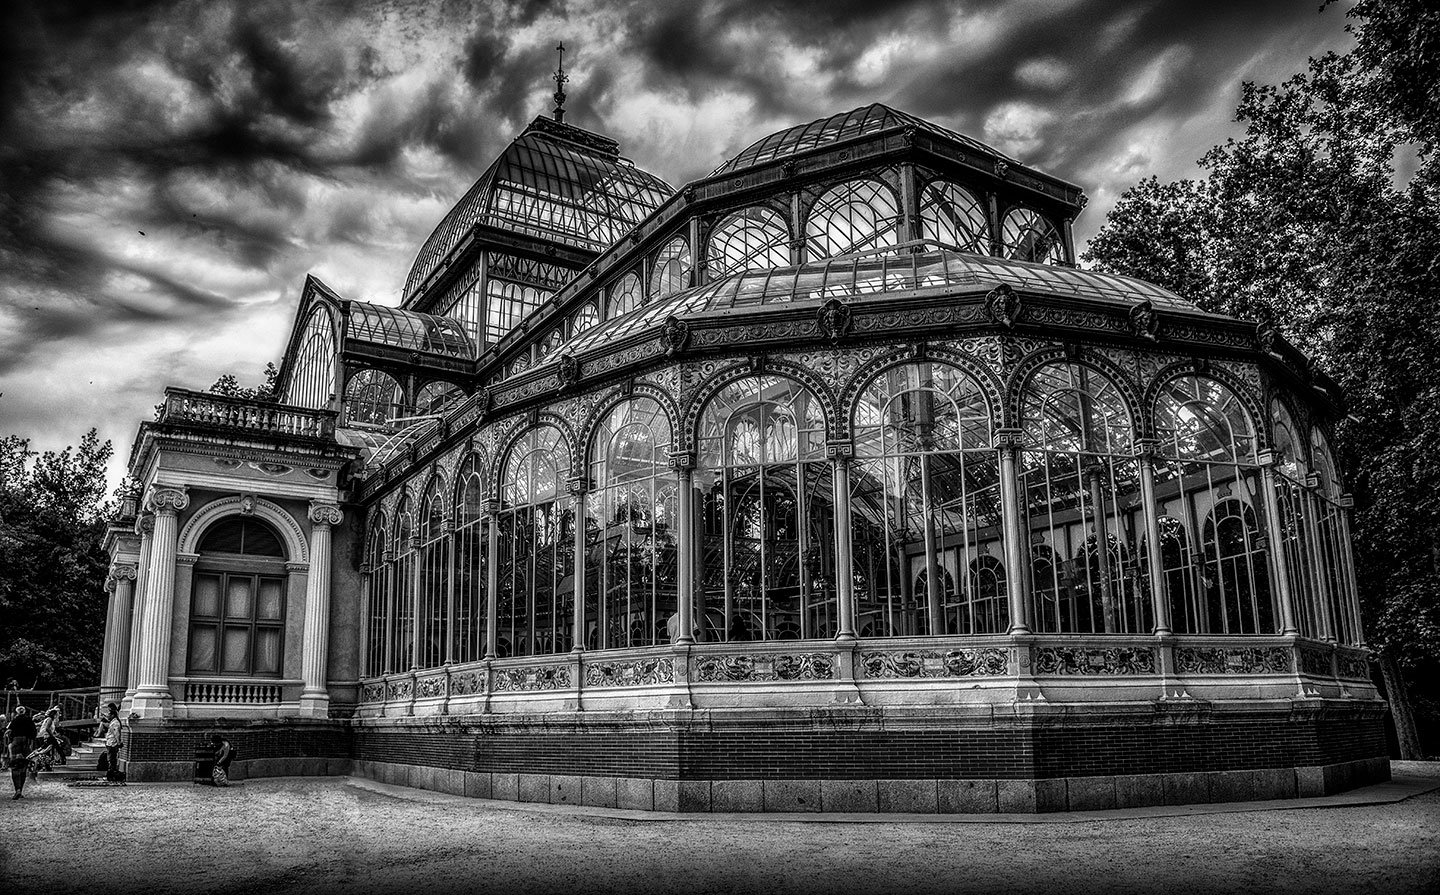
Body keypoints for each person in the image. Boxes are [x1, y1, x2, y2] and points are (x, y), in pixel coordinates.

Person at [6, 706, 36, 799]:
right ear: (25, 711)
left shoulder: (14, 721)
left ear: (17, 712)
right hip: (26, 743)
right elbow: (34, 733)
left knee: (15, 766)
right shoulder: (29, 720)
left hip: (16, 743)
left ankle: (17, 790)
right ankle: (21, 790)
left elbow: (8, 732)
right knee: (24, 766)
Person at [100, 703, 122, 781]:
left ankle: (111, 775)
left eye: (109, 714)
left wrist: (119, 742)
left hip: (112, 743)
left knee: (112, 760)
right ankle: (111, 774)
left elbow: (116, 734)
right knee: (111, 759)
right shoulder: (113, 722)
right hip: (110, 742)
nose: (108, 716)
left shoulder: (115, 723)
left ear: (113, 715)